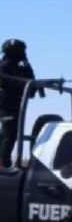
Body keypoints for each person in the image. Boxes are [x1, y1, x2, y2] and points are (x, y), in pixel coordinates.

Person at [0, 39, 41, 169]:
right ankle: (3, 162)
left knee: (8, 133)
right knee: (9, 134)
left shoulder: (18, 67)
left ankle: (3, 160)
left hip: (14, 104)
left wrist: (27, 65)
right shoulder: (4, 67)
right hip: (7, 104)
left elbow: (31, 84)